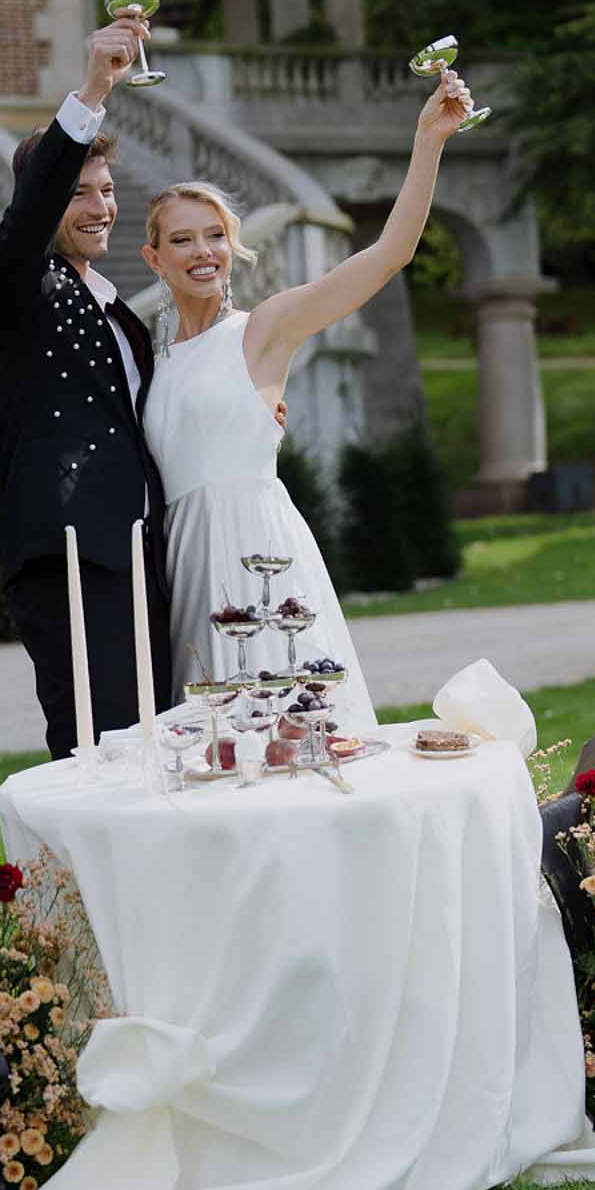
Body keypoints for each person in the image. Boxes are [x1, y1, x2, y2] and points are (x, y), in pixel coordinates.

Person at [141, 67, 475, 726]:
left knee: (284, 727)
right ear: (154, 259)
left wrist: (428, 141)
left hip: (255, 550)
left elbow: (388, 255)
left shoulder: (262, 330)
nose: (201, 251)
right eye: (181, 239)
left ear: (233, 248)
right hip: (179, 556)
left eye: (214, 236)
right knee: (204, 735)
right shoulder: (151, 363)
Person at [0, 18, 173, 759]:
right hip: (69, 551)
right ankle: (70, 879)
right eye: (78, 191)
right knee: (99, 747)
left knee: (158, 738)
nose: (100, 207)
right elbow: (22, 228)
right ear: (41, 199)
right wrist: (92, 91)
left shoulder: (108, 298)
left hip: (138, 548)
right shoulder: (8, 274)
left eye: (108, 190)